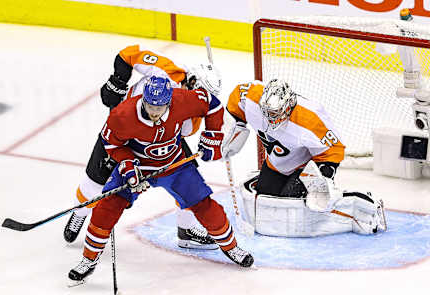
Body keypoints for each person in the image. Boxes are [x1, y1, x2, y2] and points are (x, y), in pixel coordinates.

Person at [68, 76, 254, 282]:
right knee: (106, 209)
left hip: (174, 165)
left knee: (206, 206)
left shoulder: (181, 100)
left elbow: (211, 104)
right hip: (139, 167)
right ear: (143, 99)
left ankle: (232, 247)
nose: (155, 112)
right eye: (150, 106)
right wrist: (129, 166)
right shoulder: (122, 115)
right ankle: (89, 259)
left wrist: (213, 136)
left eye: (160, 107)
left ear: (169, 101)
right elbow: (111, 144)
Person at [64, 45, 222, 250]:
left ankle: (187, 229)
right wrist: (118, 81)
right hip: (123, 132)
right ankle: (81, 212)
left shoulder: (193, 110)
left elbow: (184, 131)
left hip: (160, 138)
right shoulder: (167, 70)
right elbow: (129, 53)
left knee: (187, 175)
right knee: (95, 182)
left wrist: (211, 134)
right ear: (191, 82)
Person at [222, 79, 387, 237]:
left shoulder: (310, 118)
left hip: (306, 167)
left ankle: (357, 201)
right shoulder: (252, 98)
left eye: (276, 113)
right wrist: (234, 126)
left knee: (300, 203)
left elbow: (335, 147)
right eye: (268, 112)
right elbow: (237, 97)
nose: (271, 118)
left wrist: (323, 177)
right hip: (278, 163)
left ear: (288, 106)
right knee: (266, 199)